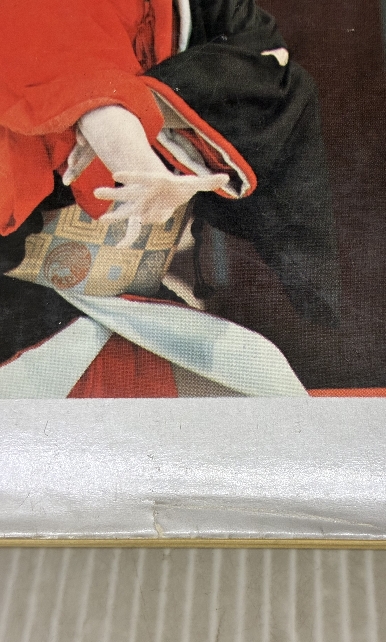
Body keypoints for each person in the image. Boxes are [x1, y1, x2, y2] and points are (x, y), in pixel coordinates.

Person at [0, 0, 339, 396]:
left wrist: (143, 104)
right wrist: (123, 130)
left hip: (136, 304)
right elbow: (85, 81)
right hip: (35, 304)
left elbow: (272, 65)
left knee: (267, 388)